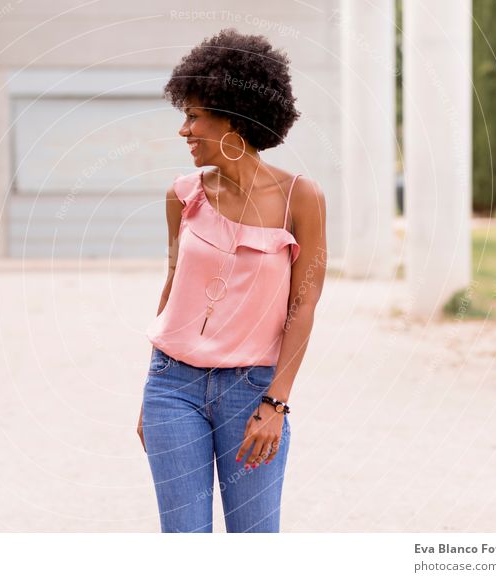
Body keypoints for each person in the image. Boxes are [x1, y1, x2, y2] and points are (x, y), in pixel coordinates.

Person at [138, 28, 328, 533]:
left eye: (194, 115)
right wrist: (151, 388)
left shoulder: (299, 199)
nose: (184, 130)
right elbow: (173, 286)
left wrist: (277, 400)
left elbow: (303, 305)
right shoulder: (182, 195)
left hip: (253, 391)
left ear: (234, 120)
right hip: (171, 387)